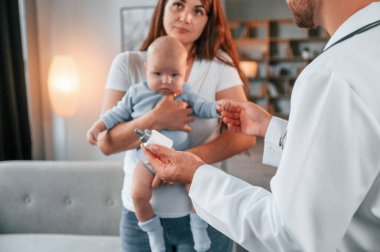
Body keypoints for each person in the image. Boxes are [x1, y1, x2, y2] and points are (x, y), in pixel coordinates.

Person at [141, 0, 380, 251]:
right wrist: (270, 128)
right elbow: (349, 155)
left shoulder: (332, 76)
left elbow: (290, 236)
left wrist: (196, 174)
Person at [97, 0, 256, 251]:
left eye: (198, 11)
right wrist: (155, 119)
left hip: (204, 210)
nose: (186, 17)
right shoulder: (128, 64)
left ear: (208, 20)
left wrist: (183, 163)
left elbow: (245, 136)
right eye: (179, 5)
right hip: (139, 218)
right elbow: (105, 144)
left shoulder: (218, 65)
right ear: (162, 8)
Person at [88, 36, 225, 252]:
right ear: (146, 68)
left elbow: (203, 107)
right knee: (138, 195)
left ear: (184, 70)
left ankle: (198, 228)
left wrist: (218, 108)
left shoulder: (184, 92)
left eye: (174, 75)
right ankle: (153, 233)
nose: (166, 81)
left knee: (197, 190)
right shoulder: (136, 92)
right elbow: (115, 114)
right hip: (146, 159)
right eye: (158, 74)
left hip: (180, 158)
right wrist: (98, 126)